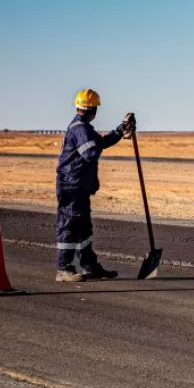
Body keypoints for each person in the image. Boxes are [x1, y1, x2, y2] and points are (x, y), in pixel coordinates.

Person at [55, 89, 134, 282]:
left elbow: (101, 143)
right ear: (93, 110)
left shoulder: (83, 127)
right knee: (70, 226)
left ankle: (90, 266)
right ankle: (63, 269)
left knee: (84, 228)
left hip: (79, 186)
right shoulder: (80, 129)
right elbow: (91, 152)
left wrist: (120, 129)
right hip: (71, 186)